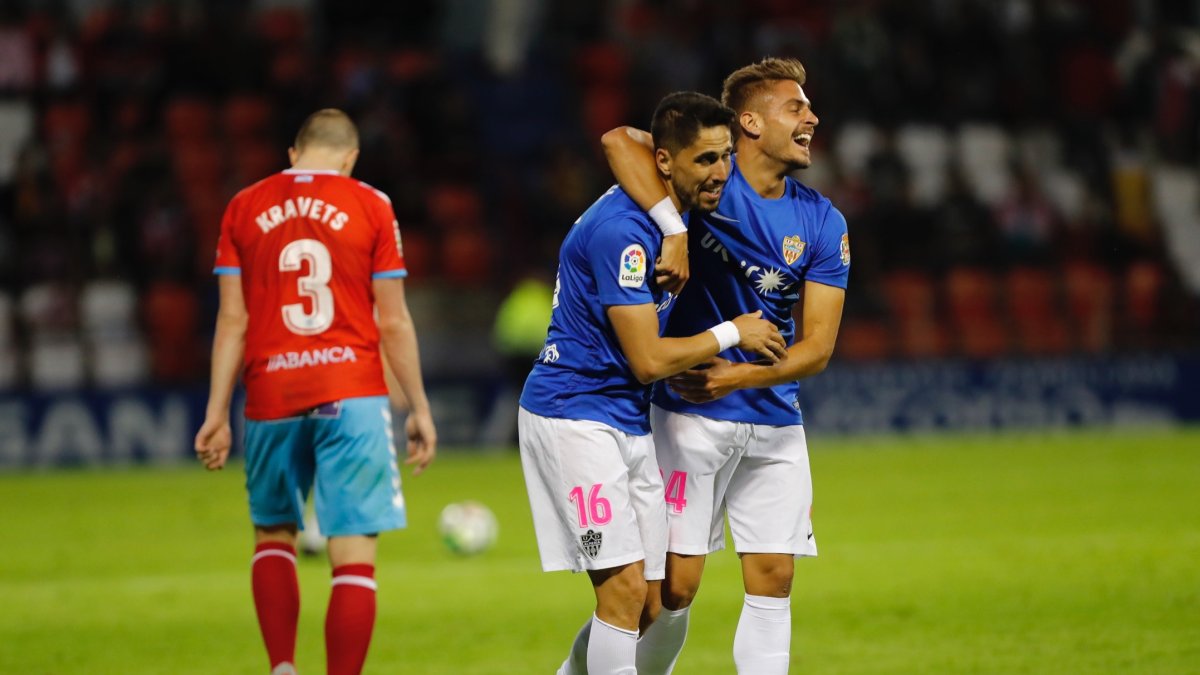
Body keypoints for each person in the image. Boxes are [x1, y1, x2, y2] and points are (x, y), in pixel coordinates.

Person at [518, 91, 788, 675]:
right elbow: (644, 359)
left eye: (725, 158)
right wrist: (731, 332)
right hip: (573, 414)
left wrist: (674, 225)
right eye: (706, 161)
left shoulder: (669, 206)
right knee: (619, 592)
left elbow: (623, 139)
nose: (721, 173)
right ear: (665, 162)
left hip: (622, 417)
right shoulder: (624, 233)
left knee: (651, 600)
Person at [601, 57, 849, 674]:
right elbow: (620, 141)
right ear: (750, 122)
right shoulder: (706, 182)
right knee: (671, 592)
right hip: (688, 415)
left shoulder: (822, 220)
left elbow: (816, 347)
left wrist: (741, 375)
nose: (811, 118)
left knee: (775, 577)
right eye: (795, 107)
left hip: (772, 417)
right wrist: (673, 228)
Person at [193, 108, 437, 675]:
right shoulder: (371, 204)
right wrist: (419, 406)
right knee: (353, 554)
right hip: (350, 392)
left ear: (293, 153)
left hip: (271, 393)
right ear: (351, 159)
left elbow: (232, 320)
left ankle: (281, 666)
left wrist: (216, 413)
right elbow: (394, 320)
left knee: (274, 533)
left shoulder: (243, 206)